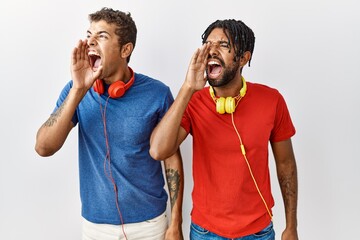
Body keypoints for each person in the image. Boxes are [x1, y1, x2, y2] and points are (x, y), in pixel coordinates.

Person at [35, 7, 184, 240]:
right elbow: (43, 147)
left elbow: (171, 156)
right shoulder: (76, 90)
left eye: (102, 36)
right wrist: (78, 90)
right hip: (96, 227)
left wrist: (175, 223)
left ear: (126, 49)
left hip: (150, 224)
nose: (90, 42)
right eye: (89, 35)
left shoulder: (157, 93)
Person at [150, 19, 299, 240]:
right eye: (208, 43)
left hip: (258, 231)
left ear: (244, 58)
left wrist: (291, 226)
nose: (211, 50)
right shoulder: (192, 101)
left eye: (223, 44)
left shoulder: (272, 100)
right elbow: (158, 151)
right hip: (205, 232)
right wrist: (188, 87)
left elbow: (286, 164)